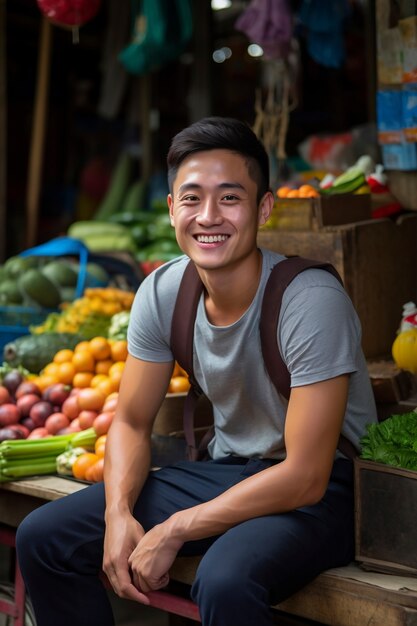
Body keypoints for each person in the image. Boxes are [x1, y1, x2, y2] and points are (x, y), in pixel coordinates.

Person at [16, 116, 377, 626]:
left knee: (226, 580)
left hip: (321, 491)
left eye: (230, 198)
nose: (209, 216)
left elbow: (305, 476)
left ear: (264, 208)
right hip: (227, 470)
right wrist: (118, 514)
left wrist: (176, 528)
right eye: (191, 198)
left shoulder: (310, 301)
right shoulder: (162, 292)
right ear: (171, 210)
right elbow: (132, 423)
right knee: (44, 537)